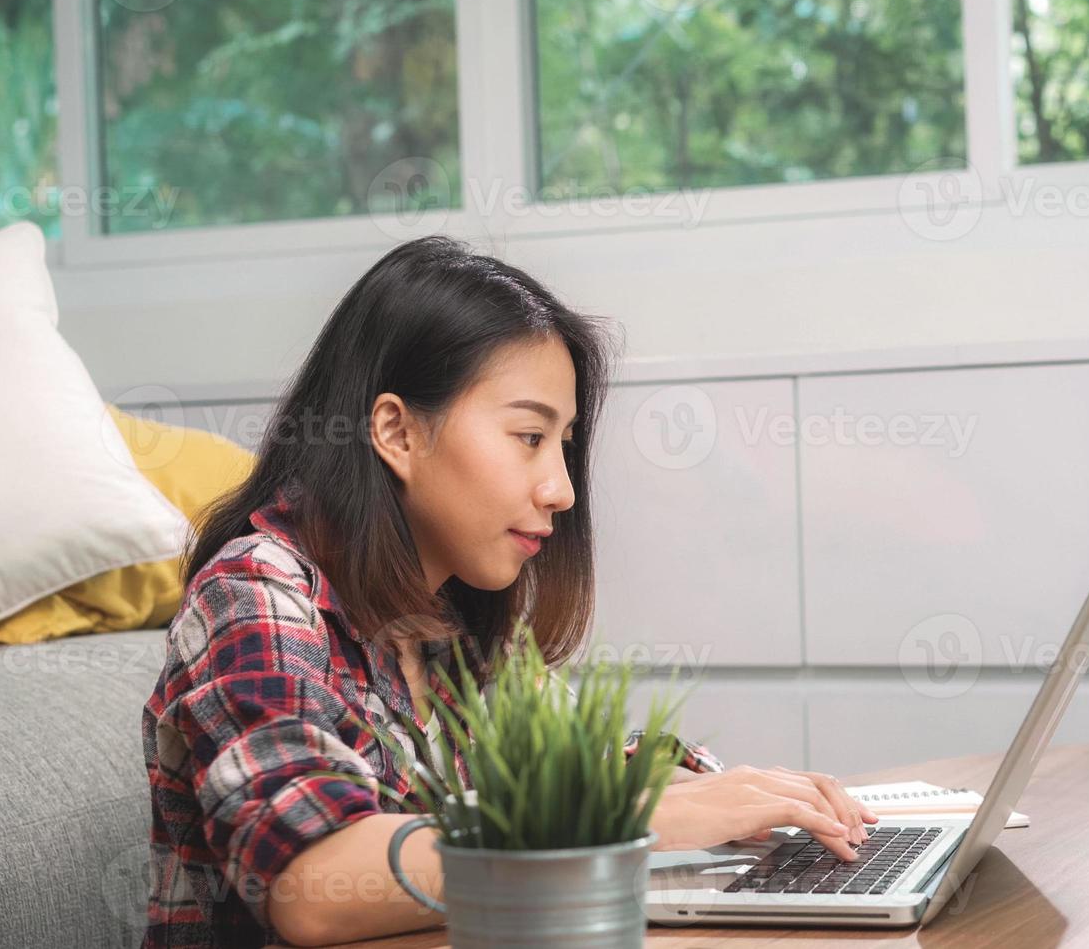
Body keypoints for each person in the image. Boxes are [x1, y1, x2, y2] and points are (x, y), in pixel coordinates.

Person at [140, 235, 876, 947]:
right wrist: (624, 819)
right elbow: (313, 882)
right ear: (397, 432)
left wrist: (712, 795)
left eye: (564, 445)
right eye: (529, 437)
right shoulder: (256, 593)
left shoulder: (451, 617)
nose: (559, 489)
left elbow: (572, 770)